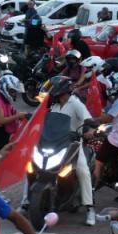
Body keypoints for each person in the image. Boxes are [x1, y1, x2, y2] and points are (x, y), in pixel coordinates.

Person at [44, 76, 97, 225]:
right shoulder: (53, 105)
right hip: (53, 144)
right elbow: (43, 118)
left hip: (72, 144)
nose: (51, 92)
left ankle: (90, 209)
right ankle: (25, 201)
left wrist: (91, 129)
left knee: (83, 171)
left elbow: (88, 119)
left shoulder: (76, 104)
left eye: (54, 89)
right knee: (32, 166)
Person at [0, 74, 27, 156]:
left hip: (4, 132)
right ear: (5, 89)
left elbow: (12, 113)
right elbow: (1, 120)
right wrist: (17, 116)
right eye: (12, 91)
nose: (14, 94)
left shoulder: (5, 100)